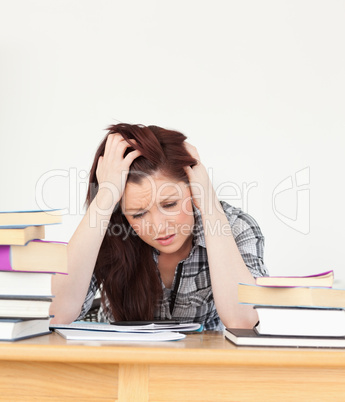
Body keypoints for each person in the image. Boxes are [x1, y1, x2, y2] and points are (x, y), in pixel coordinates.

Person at [50, 123, 268, 330]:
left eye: (170, 204)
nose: (158, 227)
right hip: (121, 365)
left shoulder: (237, 227)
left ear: (193, 188)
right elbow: (57, 314)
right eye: (138, 214)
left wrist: (210, 207)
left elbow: (244, 322)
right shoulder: (105, 229)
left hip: (203, 367)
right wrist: (105, 196)